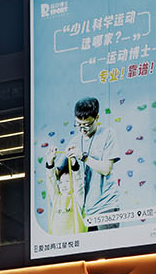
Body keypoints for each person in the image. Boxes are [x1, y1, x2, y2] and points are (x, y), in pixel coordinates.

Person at [45, 96, 119, 234]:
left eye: (87, 125)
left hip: (105, 206)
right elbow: (58, 175)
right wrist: (50, 161)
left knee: (106, 251)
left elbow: (106, 169)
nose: (82, 129)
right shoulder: (74, 141)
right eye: (78, 125)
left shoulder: (108, 134)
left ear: (97, 118)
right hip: (83, 210)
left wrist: (83, 157)